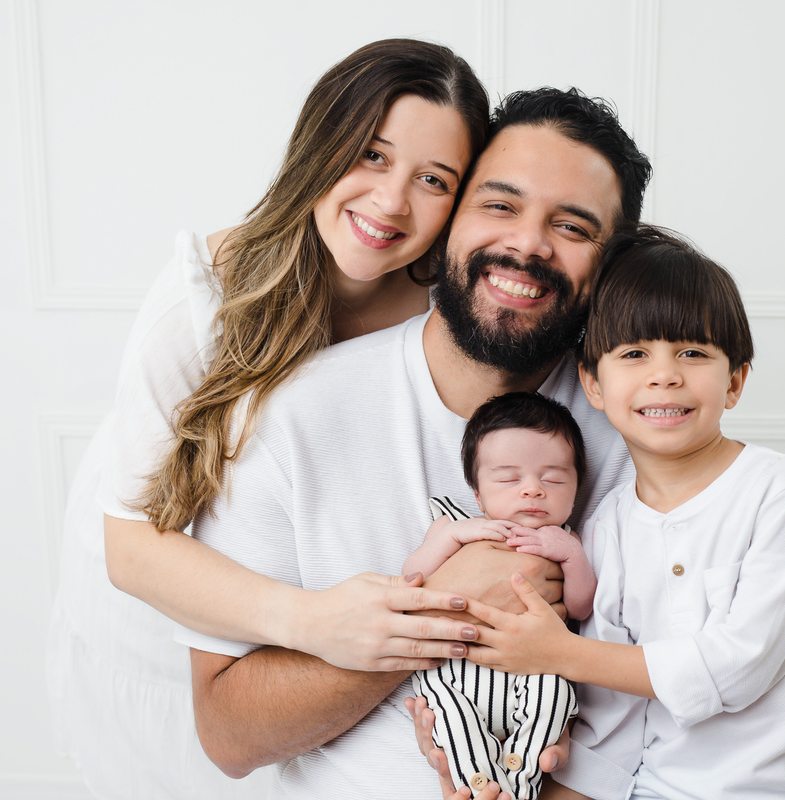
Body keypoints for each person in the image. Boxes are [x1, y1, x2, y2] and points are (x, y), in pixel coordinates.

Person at [45, 39, 489, 800]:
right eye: (372, 157)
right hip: (168, 608)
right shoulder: (211, 287)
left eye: (432, 180)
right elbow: (131, 547)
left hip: (317, 621)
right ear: (323, 146)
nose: (391, 202)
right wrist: (313, 622)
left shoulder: (443, 311)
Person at [178, 87, 652, 799]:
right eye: (499, 204)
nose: (527, 244)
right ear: (447, 221)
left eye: (574, 226)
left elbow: (676, 701)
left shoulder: (640, 438)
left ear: (611, 265)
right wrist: (436, 612)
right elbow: (227, 734)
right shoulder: (292, 415)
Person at [455, 226, 785, 799]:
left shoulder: (779, 489)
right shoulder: (605, 526)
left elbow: (740, 665)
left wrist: (561, 652)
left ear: (735, 380)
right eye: (635, 354)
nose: (664, 374)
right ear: (593, 384)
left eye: (692, 353)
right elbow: (613, 714)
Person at [407, 392, 596, 800]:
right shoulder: (452, 525)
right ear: (477, 494)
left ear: (577, 488)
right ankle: (479, 787)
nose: (532, 490)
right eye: (510, 479)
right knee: (446, 715)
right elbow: (412, 580)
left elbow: (580, 608)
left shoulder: (566, 540)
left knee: (558, 696)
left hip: (536, 672)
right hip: (457, 675)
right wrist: (454, 538)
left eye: (553, 478)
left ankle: (518, 783)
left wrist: (573, 557)